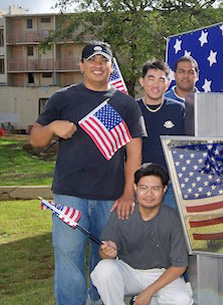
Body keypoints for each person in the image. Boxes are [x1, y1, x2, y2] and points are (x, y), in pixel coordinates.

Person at [29, 41, 146, 305]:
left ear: (110, 66)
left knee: (105, 256)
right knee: (68, 256)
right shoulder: (63, 98)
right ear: (81, 66)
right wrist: (53, 127)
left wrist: (129, 192)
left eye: (103, 60)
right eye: (91, 60)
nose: (97, 65)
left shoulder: (126, 104)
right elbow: (36, 139)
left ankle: (98, 300)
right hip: (70, 195)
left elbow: (134, 152)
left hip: (111, 196)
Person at [91, 163, 192, 305]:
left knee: (182, 300)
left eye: (155, 189)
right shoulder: (122, 212)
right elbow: (106, 252)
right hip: (128, 271)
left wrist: (148, 292)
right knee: (104, 269)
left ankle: (141, 301)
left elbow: (180, 265)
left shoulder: (173, 218)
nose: (149, 194)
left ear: (164, 190)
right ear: (135, 188)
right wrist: (107, 252)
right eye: (143, 188)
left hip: (160, 274)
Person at [136, 60, 185, 210]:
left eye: (161, 79)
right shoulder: (132, 109)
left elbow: (185, 148)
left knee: (170, 230)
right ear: (142, 81)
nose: (155, 84)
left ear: (168, 83)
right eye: (151, 79)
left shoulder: (178, 110)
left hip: (170, 187)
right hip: (140, 186)